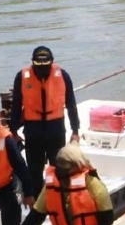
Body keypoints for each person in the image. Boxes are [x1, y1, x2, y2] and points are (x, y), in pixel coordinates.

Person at [9, 46, 79, 197]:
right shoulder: (21, 77)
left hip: (56, 129)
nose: (42, 69)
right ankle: (37, 202)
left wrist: (75, 130)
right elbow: (16, 105)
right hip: (33, 129)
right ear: (32, 63)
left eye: (46, 66)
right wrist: (13, 130)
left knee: (58, 167)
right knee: (34, 169)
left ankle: (57, 198)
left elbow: (71, 103)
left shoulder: (63, 75)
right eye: (38, 66)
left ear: (52, 62)